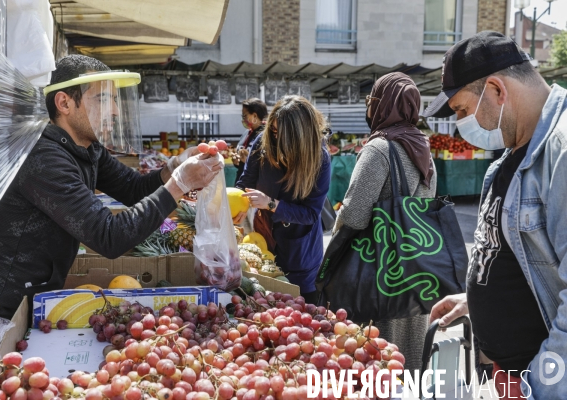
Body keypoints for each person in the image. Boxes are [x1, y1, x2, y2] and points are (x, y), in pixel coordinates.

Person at [0, 55, 223, 322]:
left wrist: (173, 167)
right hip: (1, 306)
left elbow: (132, 188)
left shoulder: (86, 147)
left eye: (115, 100)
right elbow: (109, 236)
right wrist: (180, 184)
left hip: (35, 295)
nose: (115, 111)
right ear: (64, 103)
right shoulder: (43, 157)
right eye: (103, 99)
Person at [423, 31, 567, 399]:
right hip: (509, 374)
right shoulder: (510, 153)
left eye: (461, 110)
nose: (460, 124)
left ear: (496, 90)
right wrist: (476, 297)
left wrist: (540, 385)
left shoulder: (561, 153)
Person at [331, 72, 437, 373]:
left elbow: (353, 215)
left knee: (378, 362)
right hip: (416, 273)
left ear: (383, 105)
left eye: (371, 101)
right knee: (408, 361)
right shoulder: (423, 149)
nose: (369, 107)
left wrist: (336, 226)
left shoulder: (379, 149)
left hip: (379, 274)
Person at [234, 95, 331, 304]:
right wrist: (238, 206)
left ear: (300, 135)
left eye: (283, 134)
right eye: (274, 131)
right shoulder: (263, 141)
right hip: (263, 241)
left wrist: (271, 203)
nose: (276, 138)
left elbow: (311, 214)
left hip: (300, 251)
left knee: (301, 311)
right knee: (262, 305)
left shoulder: (319, 158)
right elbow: (245, 182)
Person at [232, 98, 268, 183]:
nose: (243, 119)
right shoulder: (247, 133)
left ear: (255, 116)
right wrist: (237, 161)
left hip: (254, 186)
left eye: (245, 116)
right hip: (241, 181)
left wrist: (249, 162)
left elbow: (268, 165)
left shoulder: (266, 135)